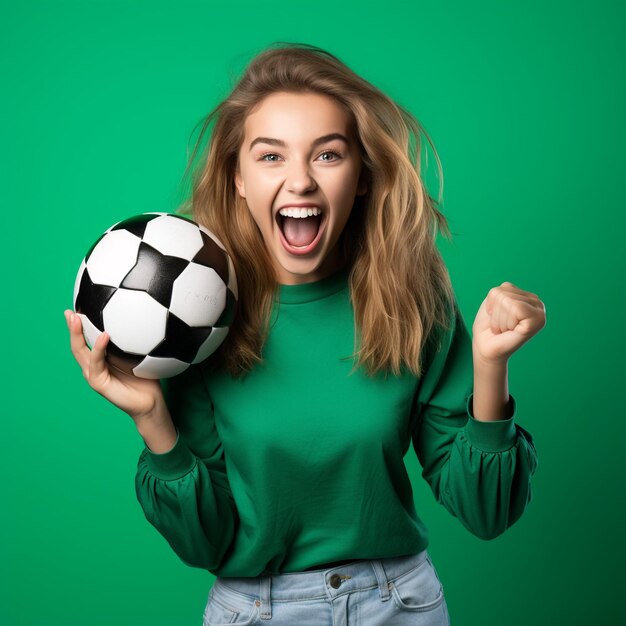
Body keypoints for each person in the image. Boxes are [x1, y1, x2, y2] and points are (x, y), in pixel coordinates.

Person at [65, 42, 545, 626]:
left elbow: (487, 513)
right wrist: (151, 418)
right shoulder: (192, 322)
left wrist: (490, 364)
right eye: (270, 157)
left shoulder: (411, 300)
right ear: (237, 178)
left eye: (328, 155)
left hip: (401, 605)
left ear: (362, 176)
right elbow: (204, 545)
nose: (300, 182)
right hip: (255, 610)